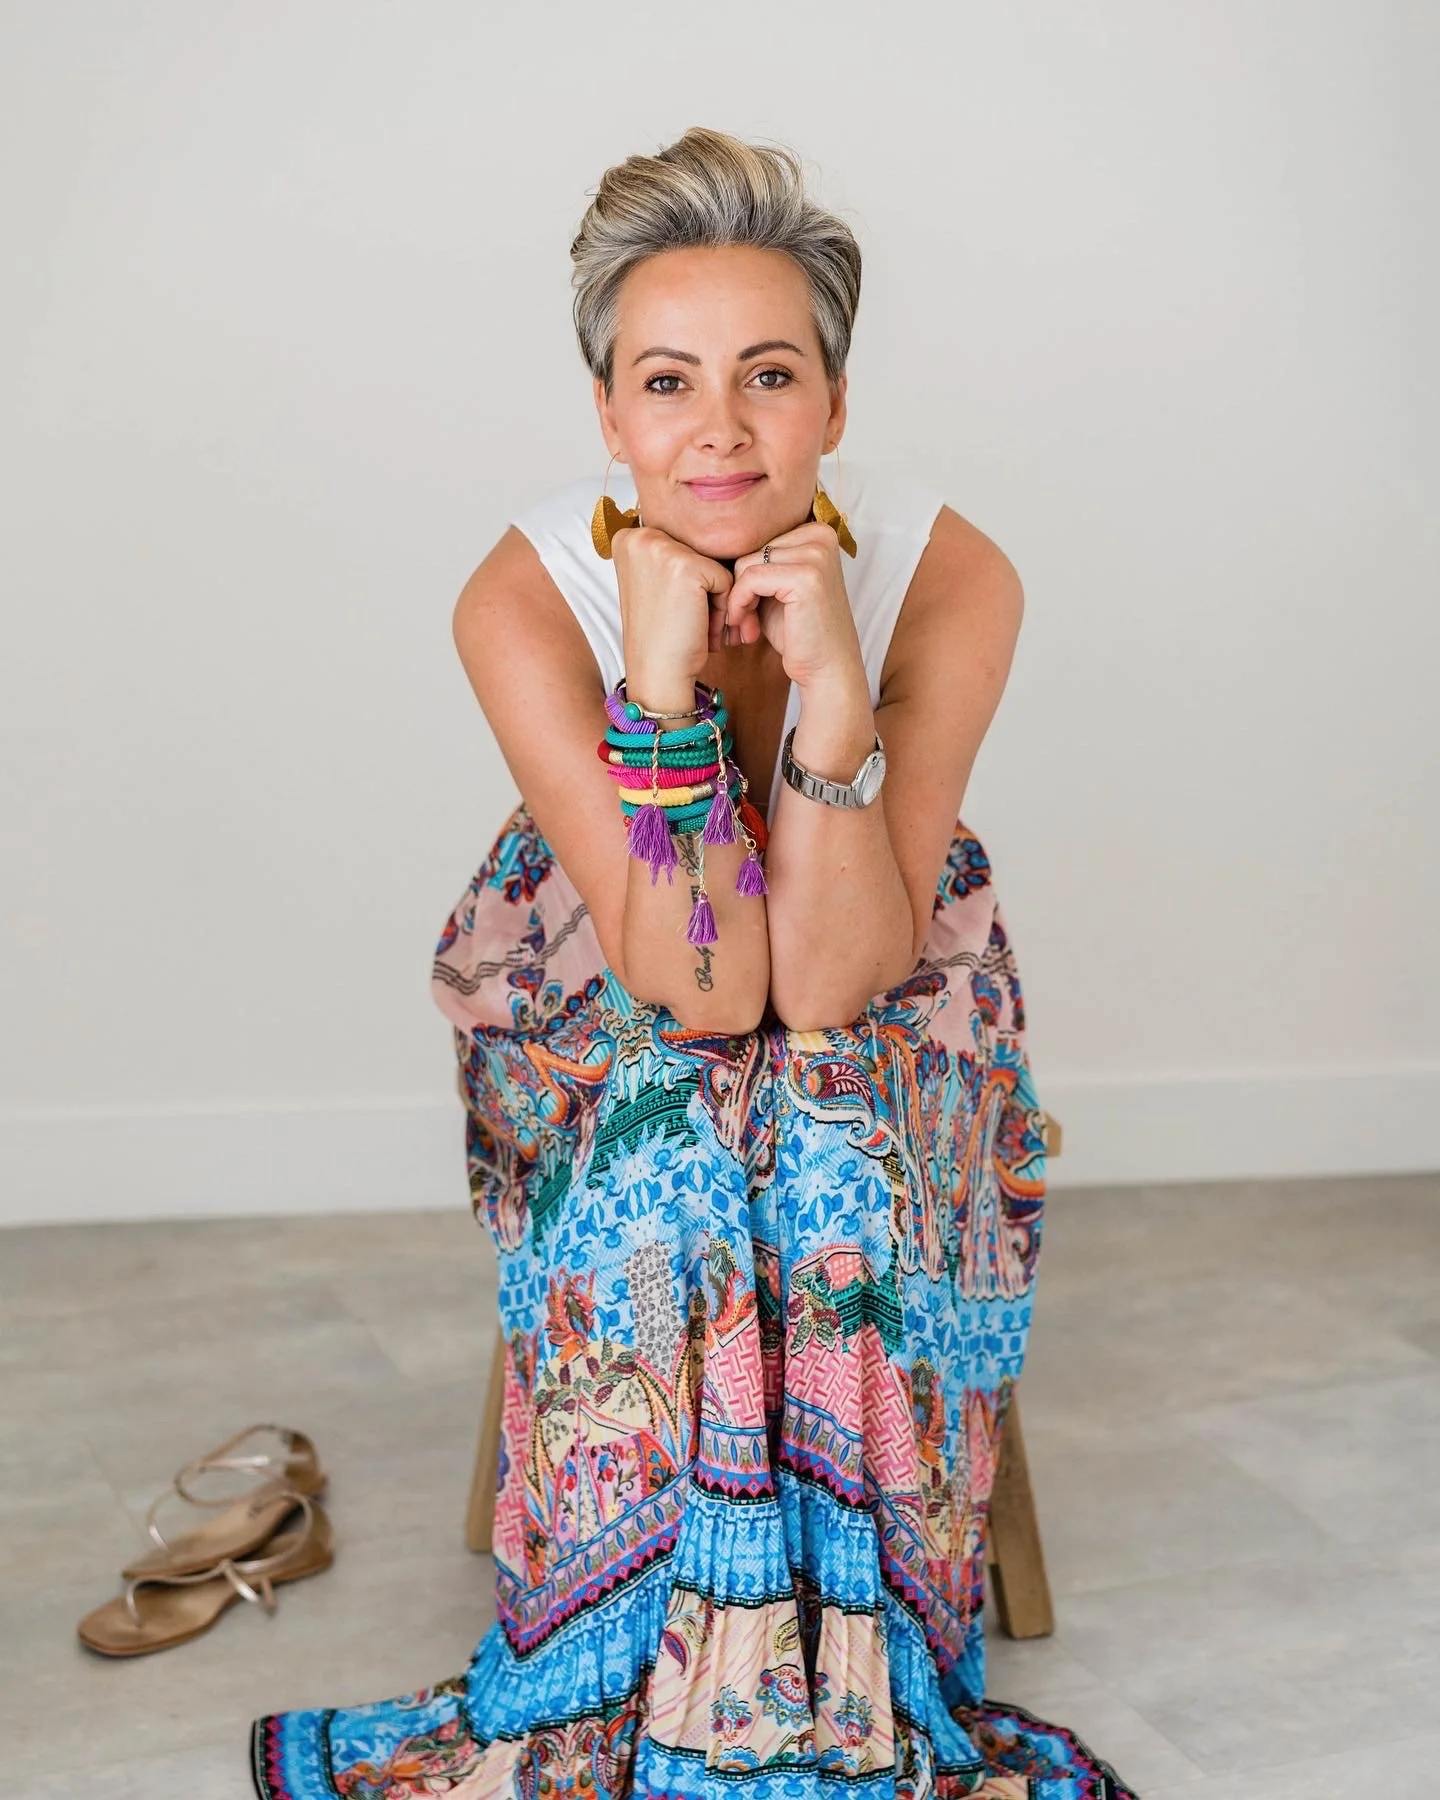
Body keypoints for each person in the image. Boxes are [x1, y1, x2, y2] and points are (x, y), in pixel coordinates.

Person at [252, 127, 1133, 1800]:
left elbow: (831, 984)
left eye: (768, 375)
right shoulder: (523, 599)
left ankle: (843, 1676)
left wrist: (838, 696)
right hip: (604, 961)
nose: (718, 428)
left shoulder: (950, 574)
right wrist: (659, 694)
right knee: (677, 1127)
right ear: (607, 413)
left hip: (886, 949)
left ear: (836, 404)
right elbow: (707, 995)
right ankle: (639, 1655)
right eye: (667, 383)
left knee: (833, 1134)